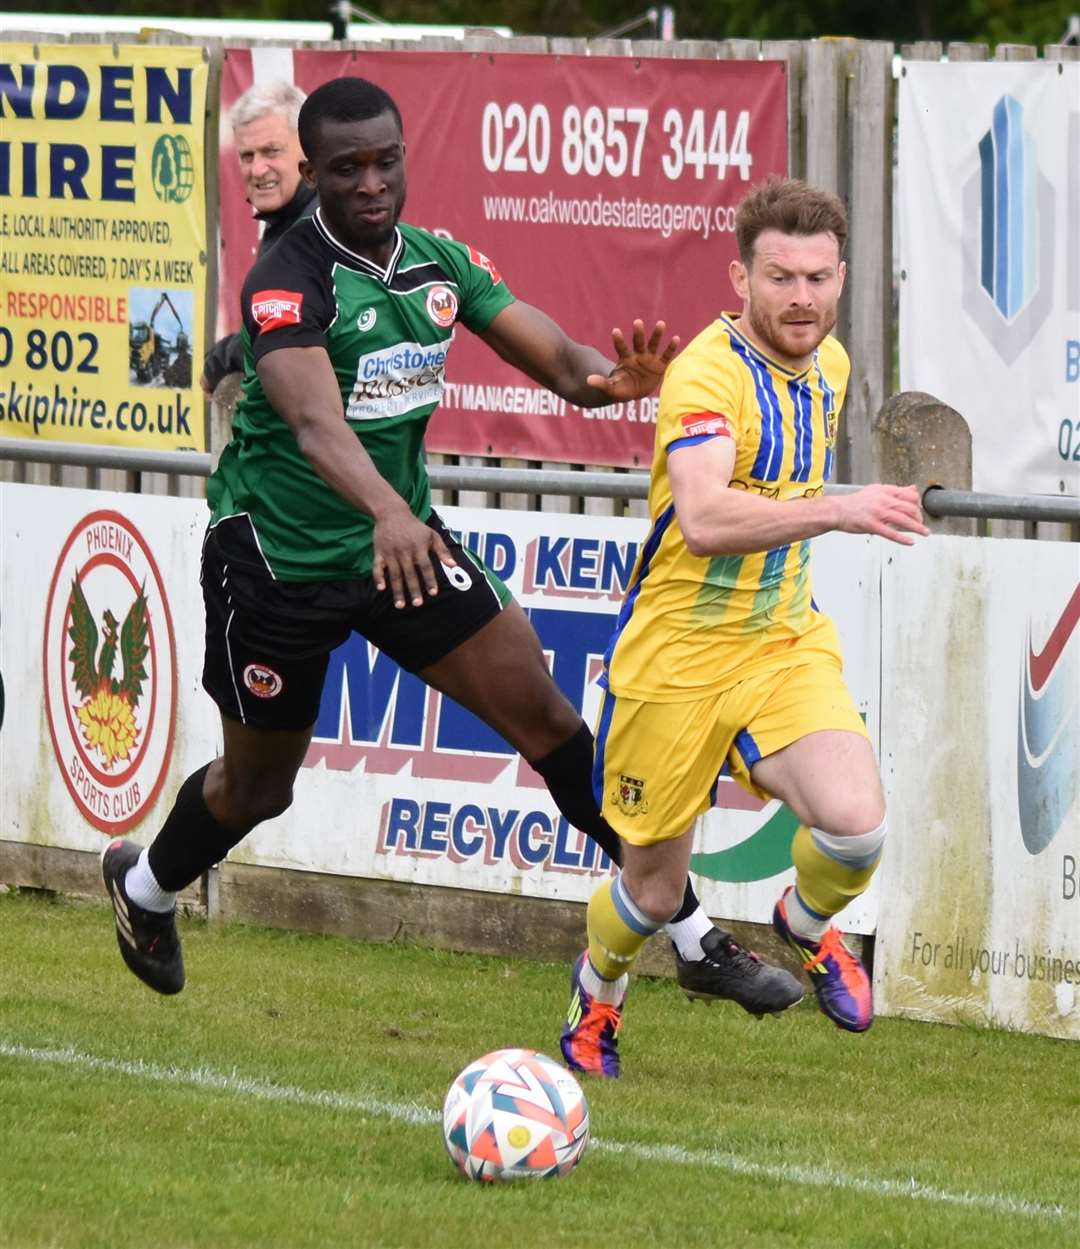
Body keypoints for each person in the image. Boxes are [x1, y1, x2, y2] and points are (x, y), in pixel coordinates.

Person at [101, 77, 802, 1022]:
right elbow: (313, 421)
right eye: (346, 168)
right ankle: (144, 887)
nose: (372, 182)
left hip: (405, 553)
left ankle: (692, 937)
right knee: (258, 788)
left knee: (553, 724)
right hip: (279, 561)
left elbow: (555, 358)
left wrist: (610, 381)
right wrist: (390, 510)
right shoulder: (287, 278)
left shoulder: (438, 265)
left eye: (386, 161)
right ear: (312, 173)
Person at [560, 175, 930, 1078]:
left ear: (842, 279)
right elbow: (705, 518)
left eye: (816, 277)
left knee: (857, 827)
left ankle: (802, 924)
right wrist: (839, 512)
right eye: (779, 277)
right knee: (648, 892)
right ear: (740, 278)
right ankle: (596, 995)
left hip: (780, 642)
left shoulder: (832, 365)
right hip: (678, 657)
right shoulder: (706, 374)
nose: (800, 298)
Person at [200, 80, 316, 397]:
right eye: (247, 155)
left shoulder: (317, 232)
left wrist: (220, 360)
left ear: (309, 148)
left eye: (271, 151)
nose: (257, 169)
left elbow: (286, 342)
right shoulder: (290, 218)